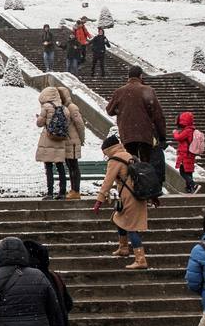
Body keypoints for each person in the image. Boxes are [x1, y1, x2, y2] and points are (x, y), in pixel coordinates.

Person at [94, 134, 149, 269]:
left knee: (131, 227)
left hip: (129, 197)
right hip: (136, 195)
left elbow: (108, 181)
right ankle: (123, 247)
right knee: (119, 219)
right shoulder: (129, 155)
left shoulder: (115, 160)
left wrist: (99, 201)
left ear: (108, 149)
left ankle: (141, 259)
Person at [105, 65, 167, 165]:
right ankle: (144, 178)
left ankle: (133, 179)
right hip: (145, 134)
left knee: (130, 162)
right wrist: (162, 137)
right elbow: (158, 116)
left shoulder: (119, 92)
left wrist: (121, 109)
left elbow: (109, 111)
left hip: (127, 133)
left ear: (128, 77)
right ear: (141, 76)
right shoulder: (148, 90)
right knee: (145, 164)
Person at [35, 87, 69, 200]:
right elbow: (67, 123)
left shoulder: (46, 107)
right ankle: (62, 192)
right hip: (60, 139)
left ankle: (50, 193)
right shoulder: (64, 108)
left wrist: (39, 118)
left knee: (48, 167)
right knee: (60, 167)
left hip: (48, 138)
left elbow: (39, 123)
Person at [58, 86, 86, 199]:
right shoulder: (63, 108)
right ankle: (74, 189)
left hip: (73, 141)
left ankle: (76, 190)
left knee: (73, 166)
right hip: (68, 141)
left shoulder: (71, 107)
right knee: (71, 166)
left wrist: (81, 139)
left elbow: (80, 124)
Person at [172, 111, 199, 194]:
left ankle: (193, 185)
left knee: (182, 171)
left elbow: (179, 137)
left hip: (185, 154)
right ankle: (189, 188)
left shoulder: (187, 131)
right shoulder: (191, 130)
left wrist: (175, 132)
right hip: (189, 154)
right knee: (188, 171)